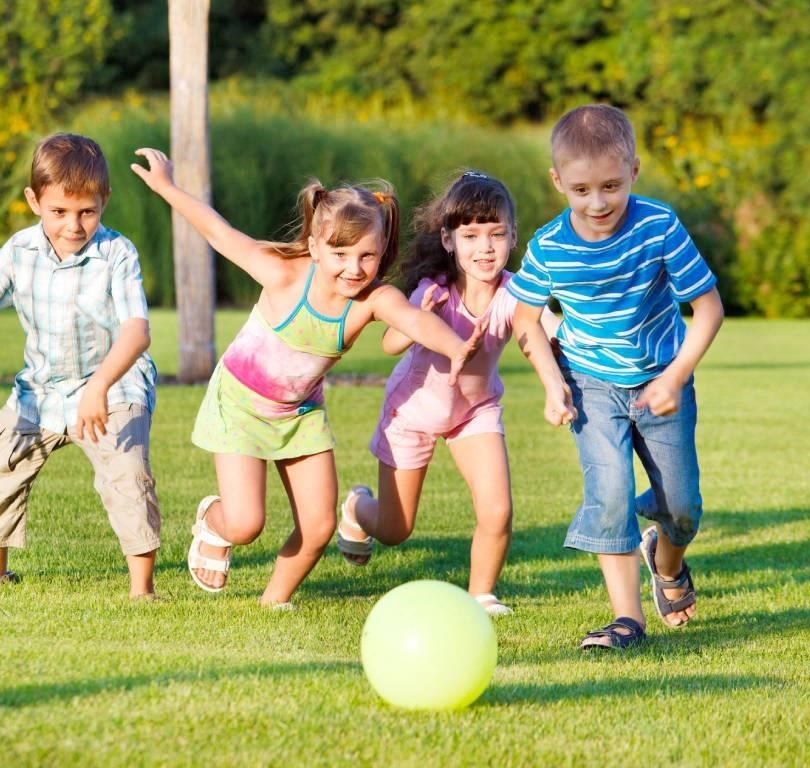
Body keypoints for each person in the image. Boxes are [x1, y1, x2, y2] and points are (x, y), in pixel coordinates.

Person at [130, 147, 482, 608]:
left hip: (300, 414)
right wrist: (167, 187)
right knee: (245, 523)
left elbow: (412, 320)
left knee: (318, 526)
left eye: (367, 255)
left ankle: (273, 602)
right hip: (239, 405)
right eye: (340, 253)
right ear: (315, 247)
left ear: (381, 252)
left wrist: (456, 347)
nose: (354, 268)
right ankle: (215, 522)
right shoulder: (282, 274)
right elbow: (218, 232)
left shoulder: (372, 300)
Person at [507, 104, 724, 649]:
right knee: (609, 495)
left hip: (661, 380)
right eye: (581, 190)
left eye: (611, 186)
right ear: (558, 181)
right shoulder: (549, 246)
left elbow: (709, 308)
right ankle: (628, 619)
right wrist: (553, 383)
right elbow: (524, 319)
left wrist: (675, 377)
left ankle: (666, 563)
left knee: (682, 508)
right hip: (591, 384)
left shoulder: (658, 226)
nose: (597, 203)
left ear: (634, 171)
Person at [0, 133, 161, 600]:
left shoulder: (117, 254)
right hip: (40, 391)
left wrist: (100, 386)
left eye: (87, 212)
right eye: (59, 211)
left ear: (104, 201)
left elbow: (137, 332)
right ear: (34, 201)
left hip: (114, 387)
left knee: (127, 474)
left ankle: (142, 591)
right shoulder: (18, 252)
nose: (73, 225)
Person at [336, 171, 560, 617]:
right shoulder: (434, 290)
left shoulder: (515, 292)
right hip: (412, 412)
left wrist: (565, 360)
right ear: (448, 239)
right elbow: (391, 344)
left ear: (514, 235)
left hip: (474, 412)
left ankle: (481, 595)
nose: (486, 247)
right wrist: (417, 317)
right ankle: (357, 507)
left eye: (497, 234)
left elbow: (544, 330)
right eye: (471, 236)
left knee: (497, 510)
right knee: (395, 529)